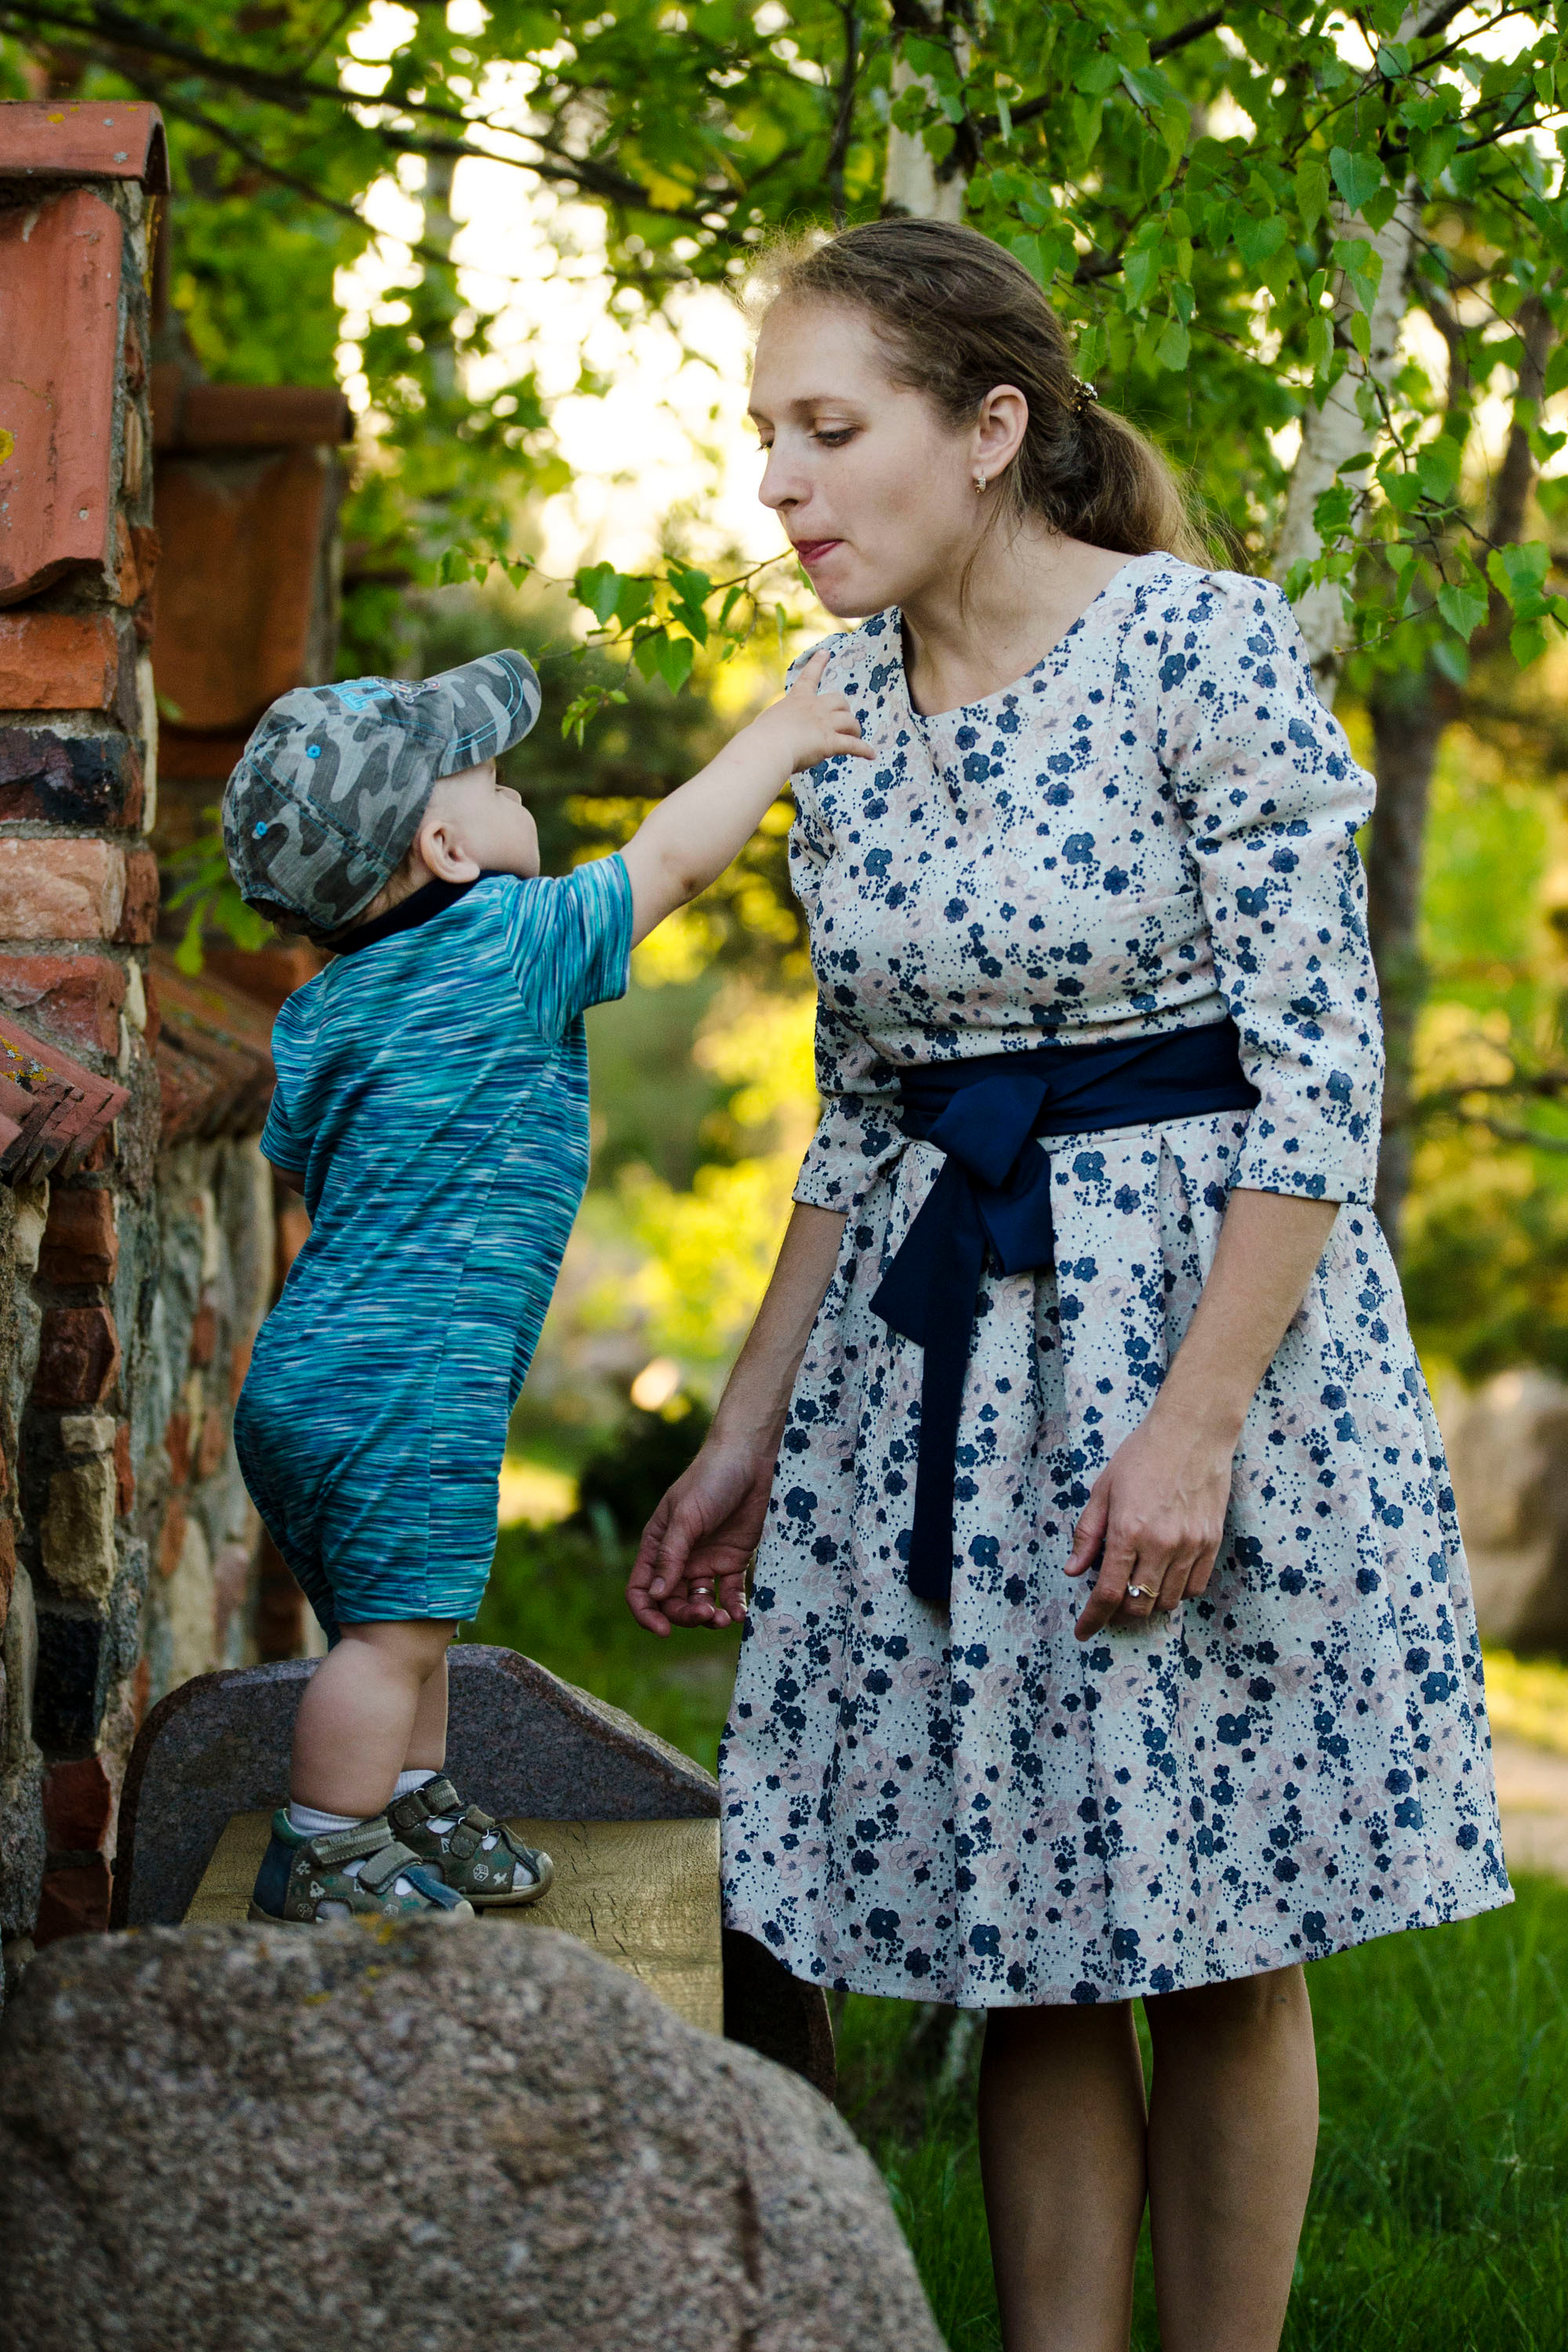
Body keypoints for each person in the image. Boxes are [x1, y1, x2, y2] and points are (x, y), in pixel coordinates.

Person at [626, 218, 1510, 2352]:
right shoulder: (832, 708)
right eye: (770, 437)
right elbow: (860, 1114)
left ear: (992, 428)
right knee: (1012, 1921)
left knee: (1219, 1928)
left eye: (830, 431)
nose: (781, 485)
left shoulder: (1199, 649)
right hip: (943, 1371)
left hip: (1213, 1343)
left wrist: (1191, 1430)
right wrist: (738, 1437)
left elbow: (1319, 1076)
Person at [223, 646, 869, 1928]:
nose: (525, 796)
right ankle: (325, 1850)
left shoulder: (323, 1010)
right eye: (496, 779)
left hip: (311, 1377)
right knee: (387, 1637)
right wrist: (776, 738)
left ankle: (412, 1801)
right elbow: (672, 861)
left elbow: (299, 1158)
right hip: (406, 1388)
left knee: (409, 1611)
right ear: (447, 849)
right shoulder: (509, 944)